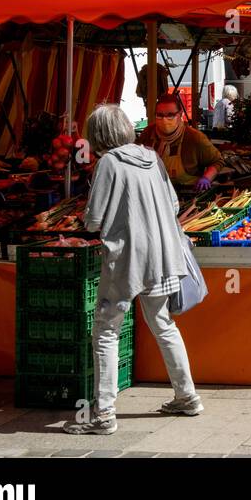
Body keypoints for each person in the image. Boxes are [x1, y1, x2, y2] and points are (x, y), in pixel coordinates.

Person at [65, 104, 199, 435]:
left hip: (127, 259)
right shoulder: (151, 157)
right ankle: (188, 397)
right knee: (163, 324)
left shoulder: (108, 163)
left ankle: (104, 414)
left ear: (97, 135)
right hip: (163, 254)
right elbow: (173, 204)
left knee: (106, 331)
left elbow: (94, 219)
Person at [137, 94, 223, 193]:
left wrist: (206, 178)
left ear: (180, 114)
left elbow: (217, 161)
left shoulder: (194, 137)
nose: (164, 120)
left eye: (170, 115)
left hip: (186, 195)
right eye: (160, 115)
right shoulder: (147, 134)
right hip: (153, 193)